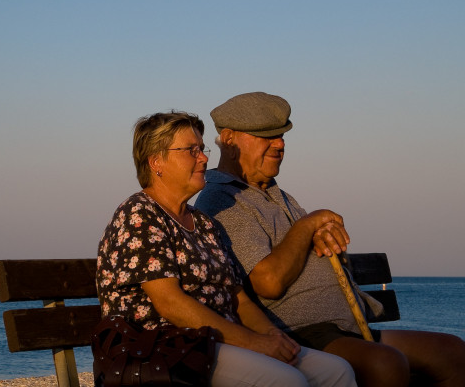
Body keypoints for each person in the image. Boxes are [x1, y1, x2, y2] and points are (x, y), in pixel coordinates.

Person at [195, 91, 465, 387]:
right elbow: (268, 282)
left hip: (345, 326)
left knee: (452, 351)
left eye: (282, 135)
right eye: (267, 136)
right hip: (300, 332)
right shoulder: (223, 199)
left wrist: (319, 238)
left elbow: (300, 249)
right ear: (231, 140)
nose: (280, 144)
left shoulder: (276, 194)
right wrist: (308, 225)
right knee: (384, 363)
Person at [96, 111, 357, 386]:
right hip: (167, 349)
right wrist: (254, 343)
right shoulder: (139, 215)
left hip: (216, 341)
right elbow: (170, 302)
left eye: (202, 148)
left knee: (337, 371)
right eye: (191, 150)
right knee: (285, 380)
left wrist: (272, 337)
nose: (204, 158)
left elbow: (239, 298)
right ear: (156, 161)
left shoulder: (204, 224)